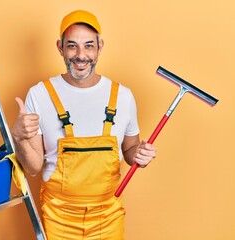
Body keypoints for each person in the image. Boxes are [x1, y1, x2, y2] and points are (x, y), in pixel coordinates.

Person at [11, 9, 157, 240]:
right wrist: (17, 137)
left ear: (100, 47)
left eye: (89, 45)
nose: (81, 55)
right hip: (58, 217)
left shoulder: (123, 96)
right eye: (72, 46)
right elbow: (33, 167)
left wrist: (140, 153)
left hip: (108, 217)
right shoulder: (39, 95)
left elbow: (130, 151)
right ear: (60, 47)